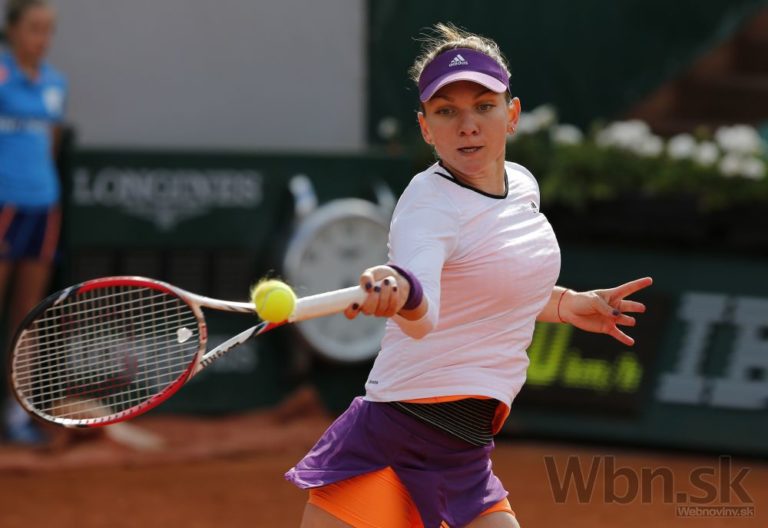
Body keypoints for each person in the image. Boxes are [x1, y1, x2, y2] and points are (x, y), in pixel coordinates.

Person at [285, 23, 652, 528]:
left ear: (512, 114)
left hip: (464, 453)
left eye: (483, 106)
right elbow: (423, 314)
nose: (467, 126)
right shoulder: (428, 207)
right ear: (425, 127)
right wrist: (402, 291)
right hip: (393, 441)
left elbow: (491, 286)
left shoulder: (521, 186)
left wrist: (568, 304)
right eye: (446, 111)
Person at [0, 0, 67, 444]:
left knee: (29, 316)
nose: (41, 39)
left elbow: (51, 144)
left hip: (43, 208)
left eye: (48, 30)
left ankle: (17, 416)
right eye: (34, 28)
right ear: (12, 30)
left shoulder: (56, 83)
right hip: (3, 206)